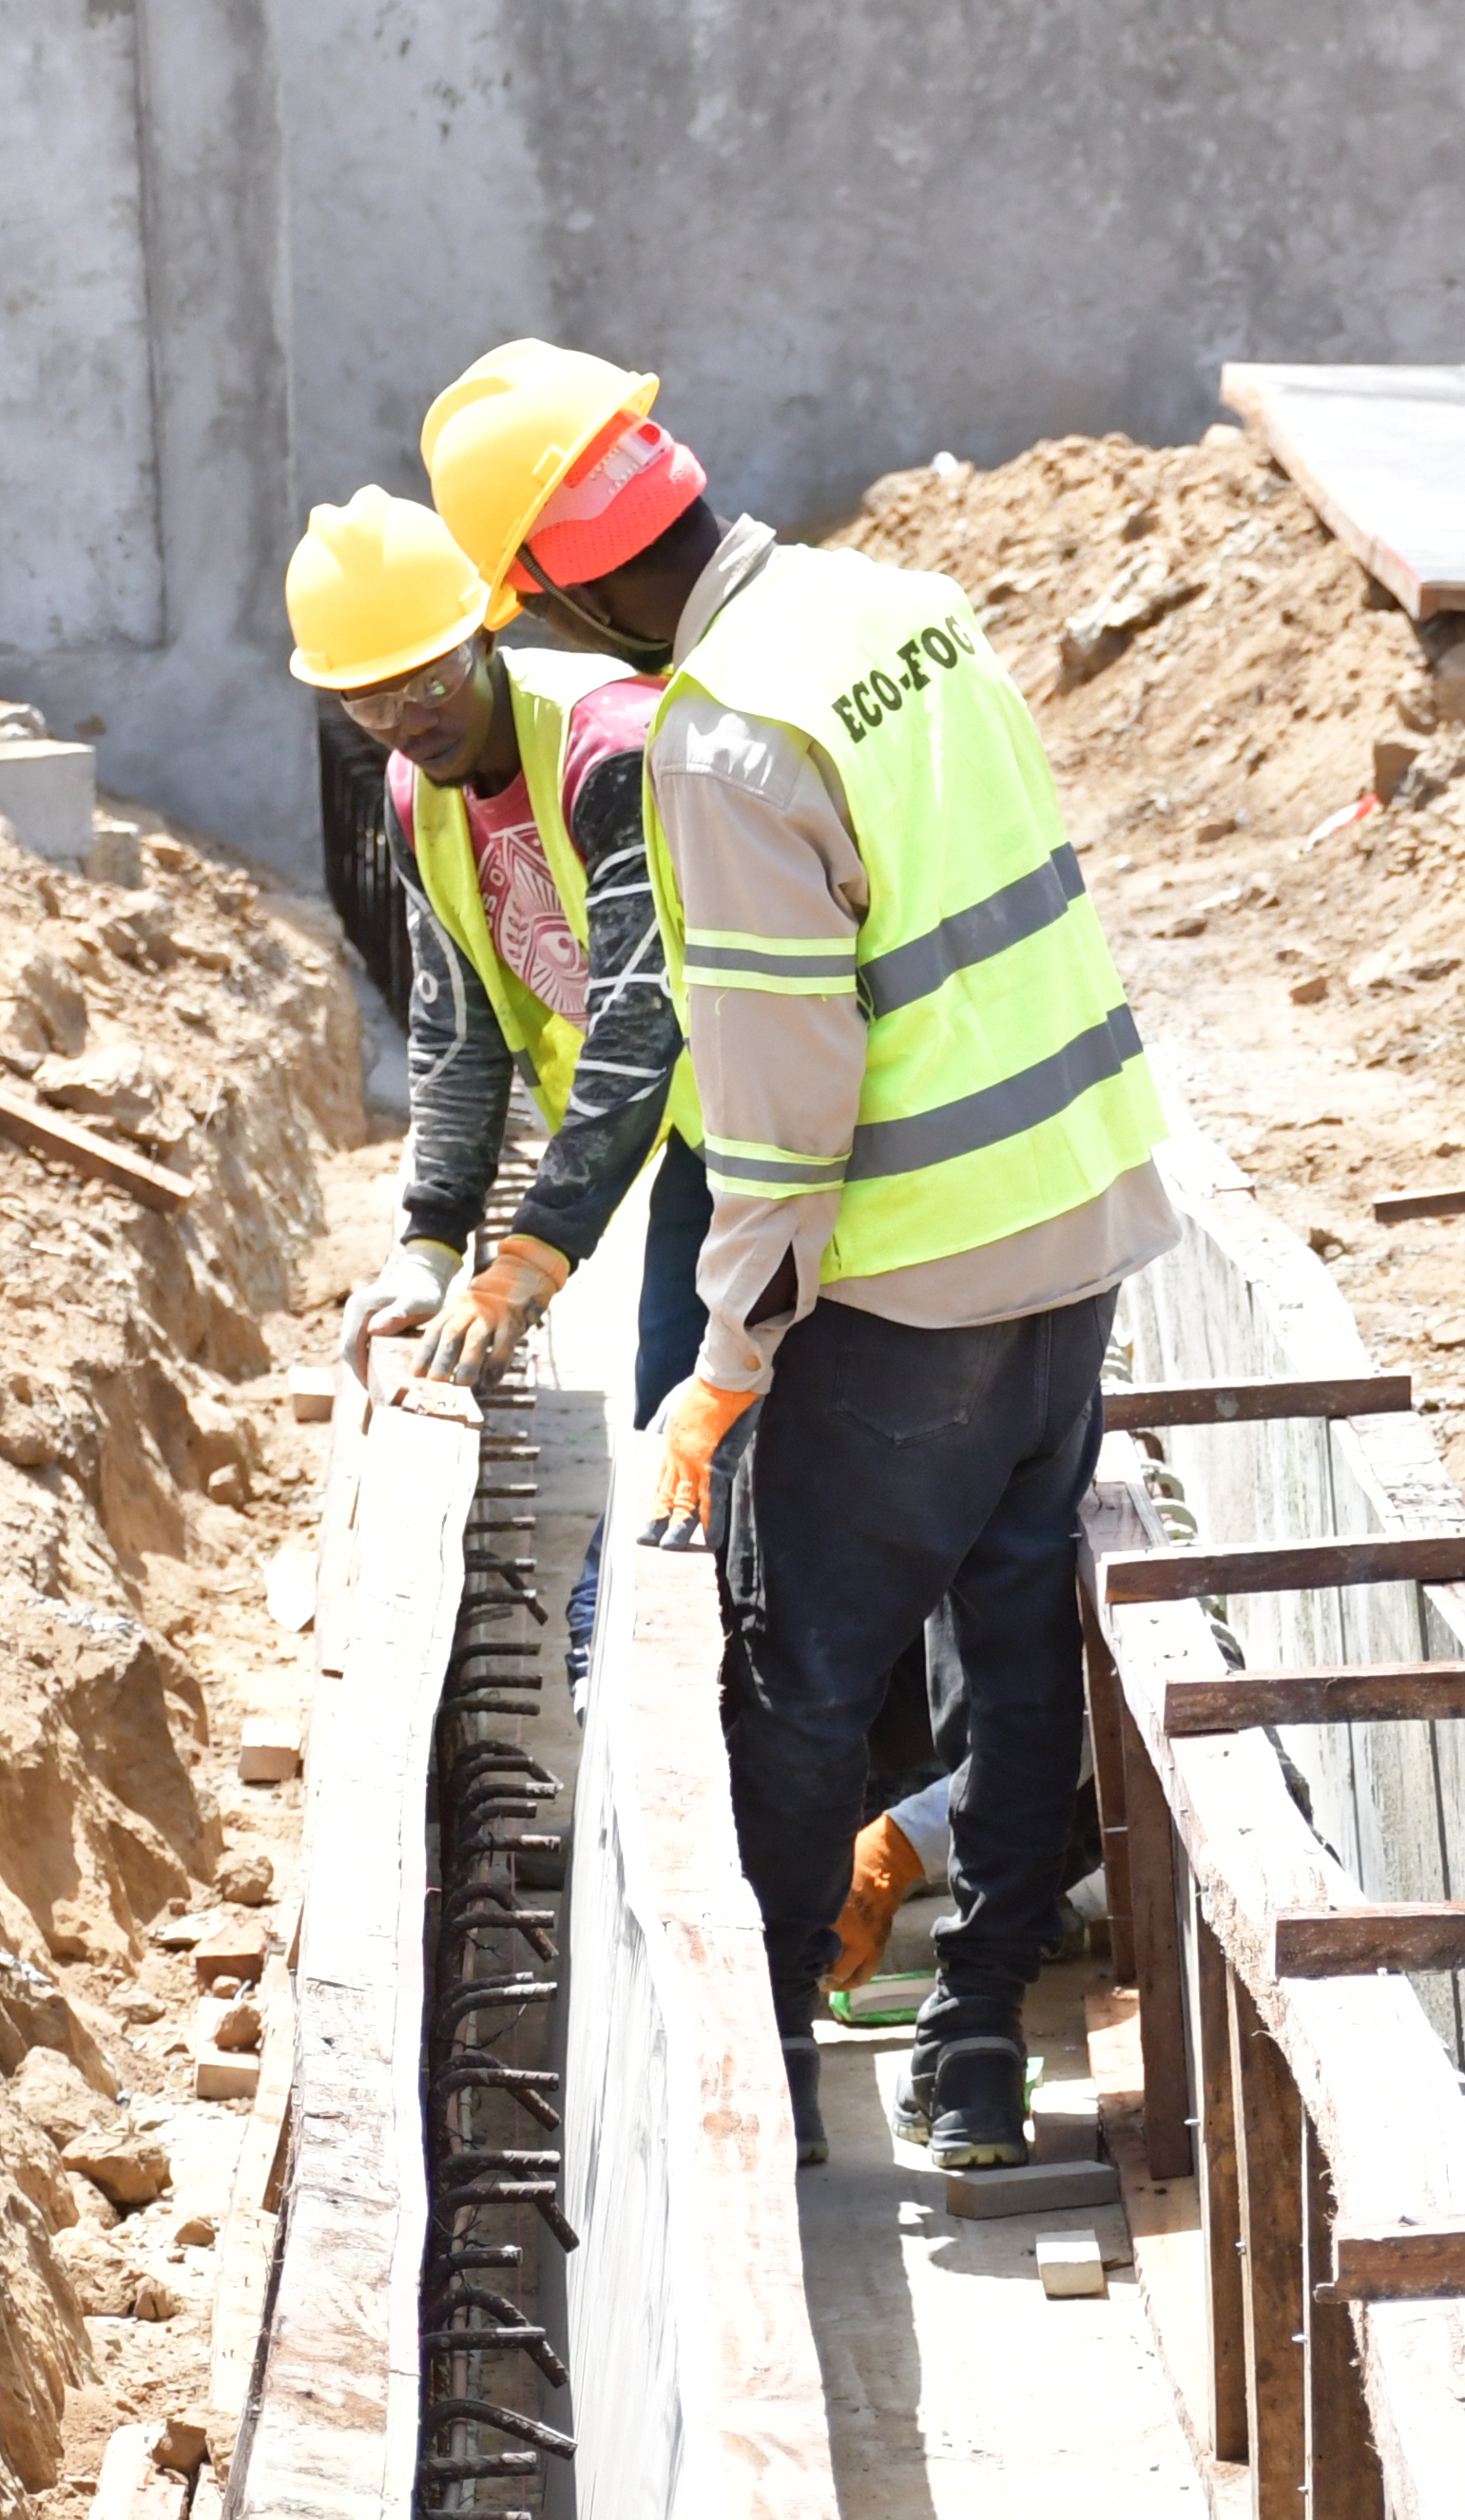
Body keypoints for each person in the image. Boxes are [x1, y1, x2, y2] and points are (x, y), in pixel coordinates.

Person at [424, 344, 1177, 2171]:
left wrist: (726, 1363)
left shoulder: (720, 742)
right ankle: (976, 2034)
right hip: (1074, 1208)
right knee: (1017, 1639)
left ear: (567, 585)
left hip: (908, 1276)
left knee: (800, 1671)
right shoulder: (906, 610)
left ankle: (764, 2048)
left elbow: (775, 1108)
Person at [281, 486, 711, 1407]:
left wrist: (532, 1255)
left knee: (719, 1422)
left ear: (484, 634)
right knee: (672, 1412)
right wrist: (432, 1242)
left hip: (796, 1113)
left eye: (433, 681)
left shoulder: (609, 748)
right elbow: (455, 1025)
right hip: (705, 1129)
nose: (411, 721)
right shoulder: (416, 795)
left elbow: (640, 1017)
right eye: (372, 702)